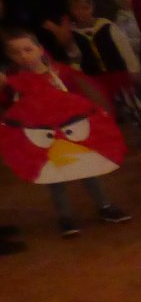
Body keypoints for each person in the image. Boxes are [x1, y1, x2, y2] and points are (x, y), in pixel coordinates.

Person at [0, 24, 130, 235]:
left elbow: (87, 94)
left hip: (73, 133)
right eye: (15, 53)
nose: (23, 56)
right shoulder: (13, 84)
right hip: (44, 138)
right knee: (54, 177)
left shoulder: (62, 73)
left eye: (27, 49)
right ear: (9, 56)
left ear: (40, 49)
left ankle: (105, 206)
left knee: (88, 169)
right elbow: (9, 110)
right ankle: (65, 217)